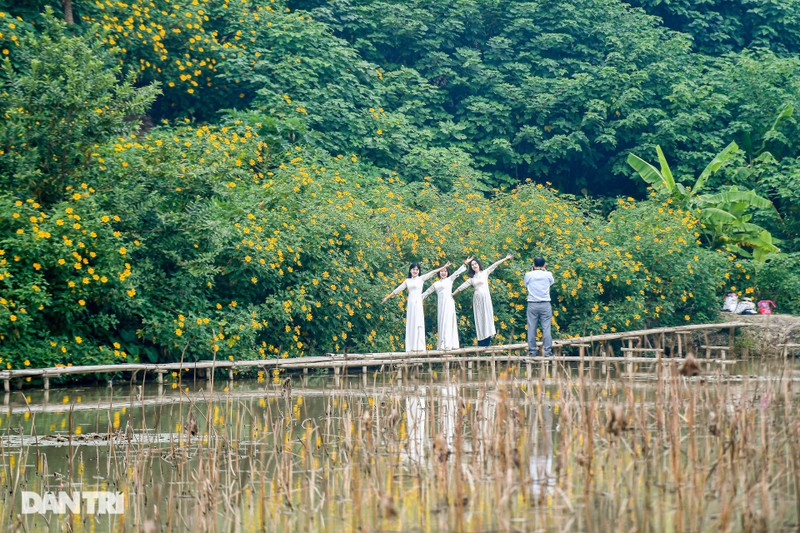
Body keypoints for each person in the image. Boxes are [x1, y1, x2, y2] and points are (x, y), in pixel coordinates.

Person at [382, 262, 451, 352]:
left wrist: (444, 266)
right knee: (411, 322)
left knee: (418, 323)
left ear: (419, 271)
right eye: (413, 269)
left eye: (417, 269)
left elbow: (433, 272)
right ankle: (411, 347)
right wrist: (387, 298)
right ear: (410, 270)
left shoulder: (421, 279)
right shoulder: (407, 281)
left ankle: (419, 346)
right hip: (410, 303)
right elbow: (397, 290)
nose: (415, 271)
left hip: (418, 303)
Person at [453, 254, 513, 347]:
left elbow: (495, 264)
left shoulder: (485, 272)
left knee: (486, 317)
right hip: (477, 300)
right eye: (472, 265)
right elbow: (462, 286)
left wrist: (505, 258)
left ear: (479, 264)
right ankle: (481, 341)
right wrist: (453, 294)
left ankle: (487, 340)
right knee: (479, 318)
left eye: (475, 264)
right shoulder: (472, 278)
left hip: (485, 298)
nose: (474, 266)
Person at [421, 256, 473, 350]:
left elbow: (458, 272)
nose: (443, 273)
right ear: (439, 272)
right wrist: (416, 298)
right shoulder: (436, 284)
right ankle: (442, 344)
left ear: (447, 272)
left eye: (445, 271)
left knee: (448, 322)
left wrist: (466, 263)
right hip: (441, 305)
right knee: (442, 322)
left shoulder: (450, 279)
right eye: (441, 271)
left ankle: (449, 344)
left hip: (449, 304)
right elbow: (427, 292)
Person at [524, 256, 554, 356]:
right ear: (544, 265)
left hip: (532, 304)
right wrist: (544, 270)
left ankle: (532, 351)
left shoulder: (528, 275)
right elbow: (551, 282)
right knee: (546, 328)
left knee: (531, 328)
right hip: (545, 304)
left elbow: (525, 284)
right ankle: (547, 351)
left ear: (533, 264)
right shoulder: (548, 274)